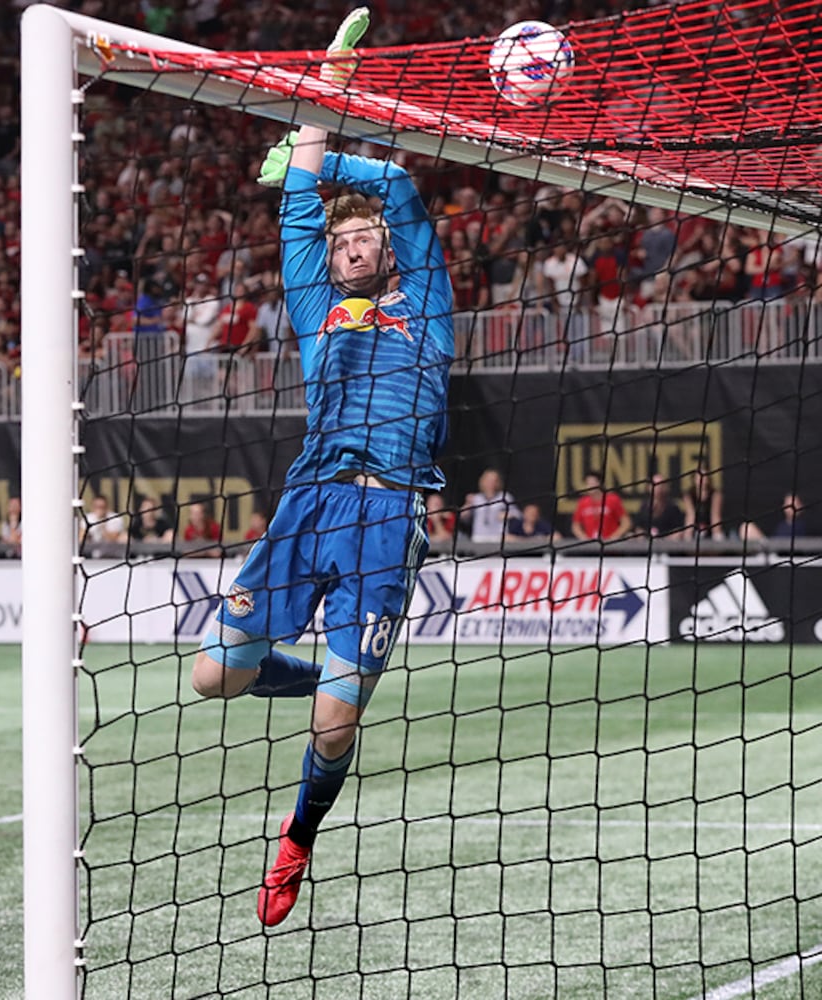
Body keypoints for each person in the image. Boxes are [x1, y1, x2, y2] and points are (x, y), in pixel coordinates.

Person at [189, 7, 453, 930]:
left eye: (363, 238)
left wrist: (336, 162)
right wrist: (325, 87)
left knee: (334, 733)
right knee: (213, 678)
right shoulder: (314, 299)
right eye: (338, 241)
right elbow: (299, 190)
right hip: (308, 502)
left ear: (388, 248)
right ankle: (328, 674)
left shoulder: (425, 293)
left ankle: (296, 837)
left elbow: (401, 187)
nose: (348, 247)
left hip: (389, 516)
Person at [460, 468, 517, 545]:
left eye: (494, 481)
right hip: (479, 538)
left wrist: (507, 514)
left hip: (498, 538)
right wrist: (467, 504)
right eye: (488, 480)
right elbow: (463, 518)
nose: (491, 483)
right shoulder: (476, 498)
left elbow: (518, 515)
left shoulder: (505, 497)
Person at [570, 470, 632, 541]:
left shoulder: (612, 499)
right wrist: (584, 538)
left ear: (599, 483)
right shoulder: (583, 502)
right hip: (590, 546)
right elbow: (575, 525)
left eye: (592, 483)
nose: (589, 486)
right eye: (587, 483)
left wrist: (614, 537)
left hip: (610, 545)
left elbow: (626, 522)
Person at [683, 463, 723, 539]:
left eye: (705, 477)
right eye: (698, 477)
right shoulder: (689, 495)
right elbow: (690, 516)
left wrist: (717, 536)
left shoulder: (715, 494)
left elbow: (715, 516)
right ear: (694, 479)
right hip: (695, 528)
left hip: (710, 527)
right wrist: (687, 536)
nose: (702, 479)